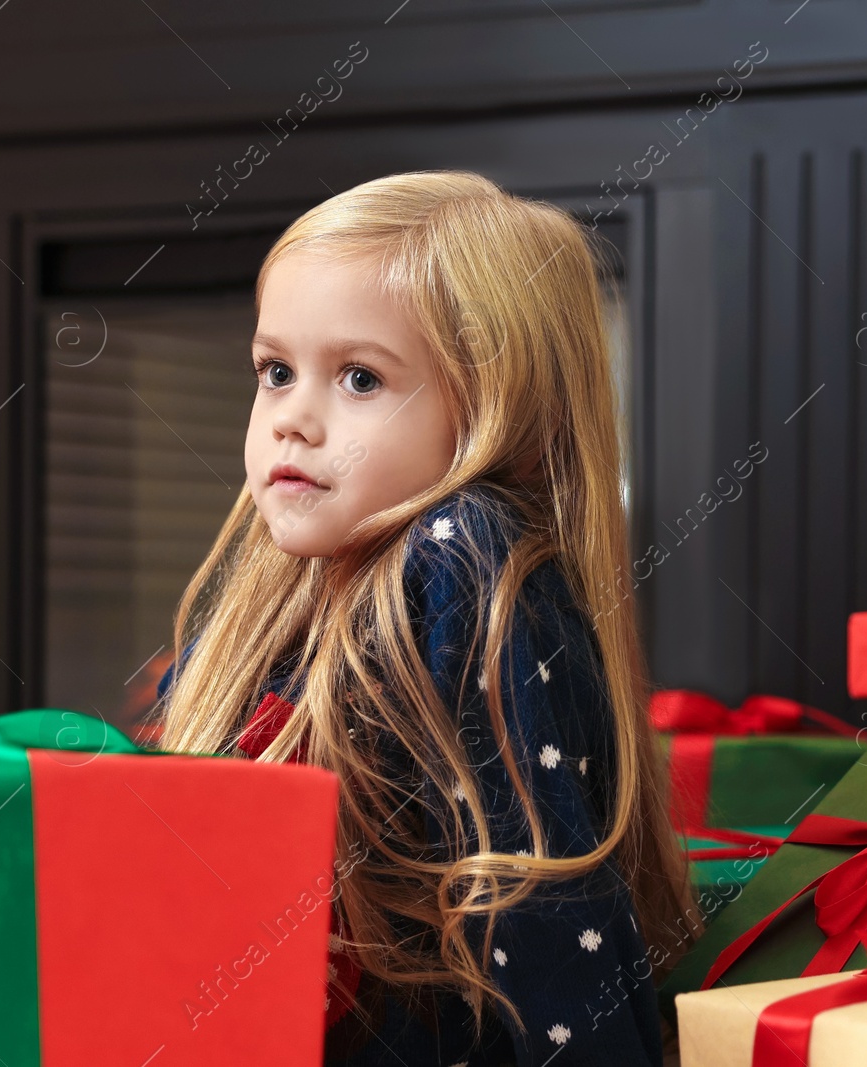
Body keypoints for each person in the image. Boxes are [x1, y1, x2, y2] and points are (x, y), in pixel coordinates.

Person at [149, 170, 698, 1066]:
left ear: (498, 406)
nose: (293, 418)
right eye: (276, 371)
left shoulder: (461, 554)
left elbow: (546, 908)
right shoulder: (273, 588)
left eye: (360, 378)